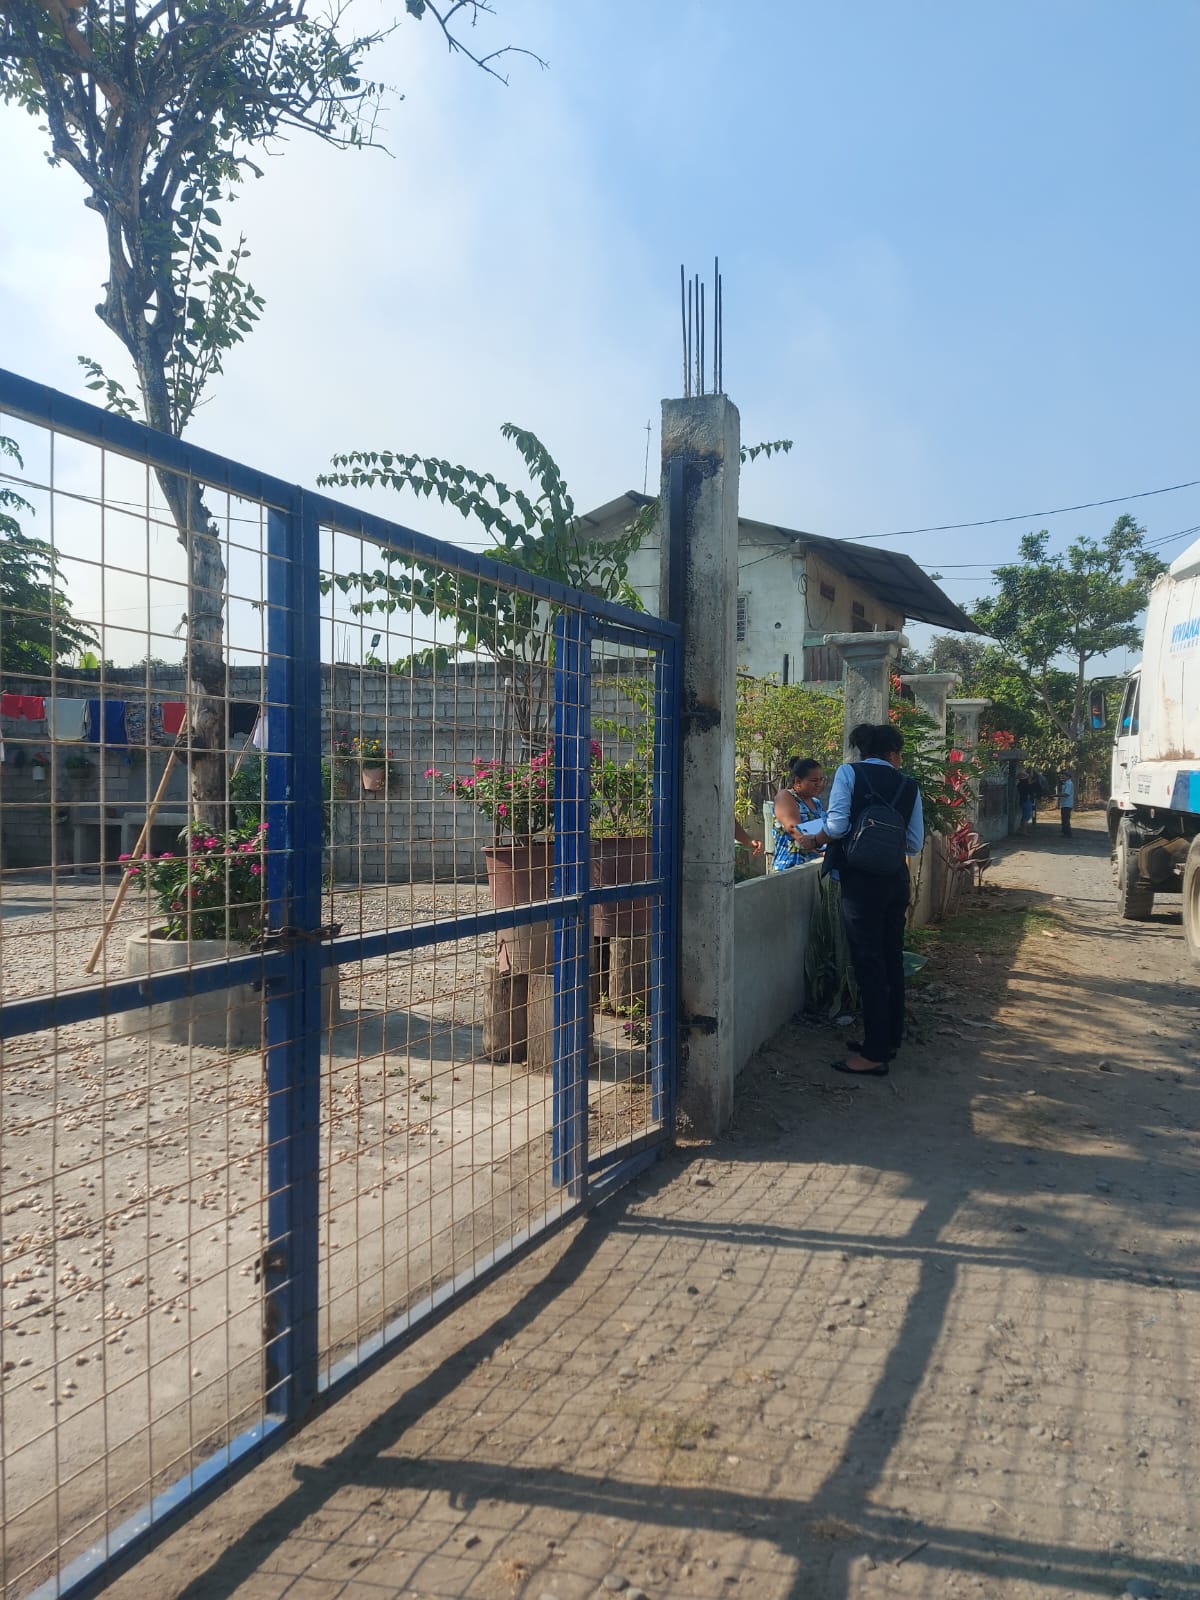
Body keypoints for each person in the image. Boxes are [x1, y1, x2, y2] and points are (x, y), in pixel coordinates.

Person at [799, 723, 924, 1077]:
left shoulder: (849, 773)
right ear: (893, 754)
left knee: (868, 962)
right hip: (895, 881)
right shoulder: (908, 785)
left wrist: (815, 840)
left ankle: (873, 1054)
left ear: (864, 750)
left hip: (861, 882)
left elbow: (837, 826)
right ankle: (889, 1038)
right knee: (891, 957)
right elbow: (914, 843)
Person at [771, 757, 827, 871]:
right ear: (798, 781)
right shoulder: (785, 797)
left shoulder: (816, 803)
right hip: (790, 867)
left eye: (821, 780)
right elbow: (794, 829)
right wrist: (822, 851)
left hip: (814, 867)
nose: (819, 784)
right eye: (814, 780)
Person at [1017, 768, 1035, 833]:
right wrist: (1031, 769)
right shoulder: (1025, 783)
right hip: (1026, 801)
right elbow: (1031, 776)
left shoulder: (1020, 784)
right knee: (1026, 816)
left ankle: (1023, 830)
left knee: (1025, 816)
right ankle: (1023, 831)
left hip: (1024, 800)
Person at [1059, 768, 1075, 838]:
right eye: (1062, 775)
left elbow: (1066, 794)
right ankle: (1065, 833)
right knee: (1064, 819)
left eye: (1064, 775)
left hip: (1067, 804)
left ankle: (1068, 834)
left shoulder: (1069, 783)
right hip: (1064, 804)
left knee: (1065, 819)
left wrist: (1056, 795)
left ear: (1068, 776)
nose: (1062, 776)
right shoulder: (1065, 783)